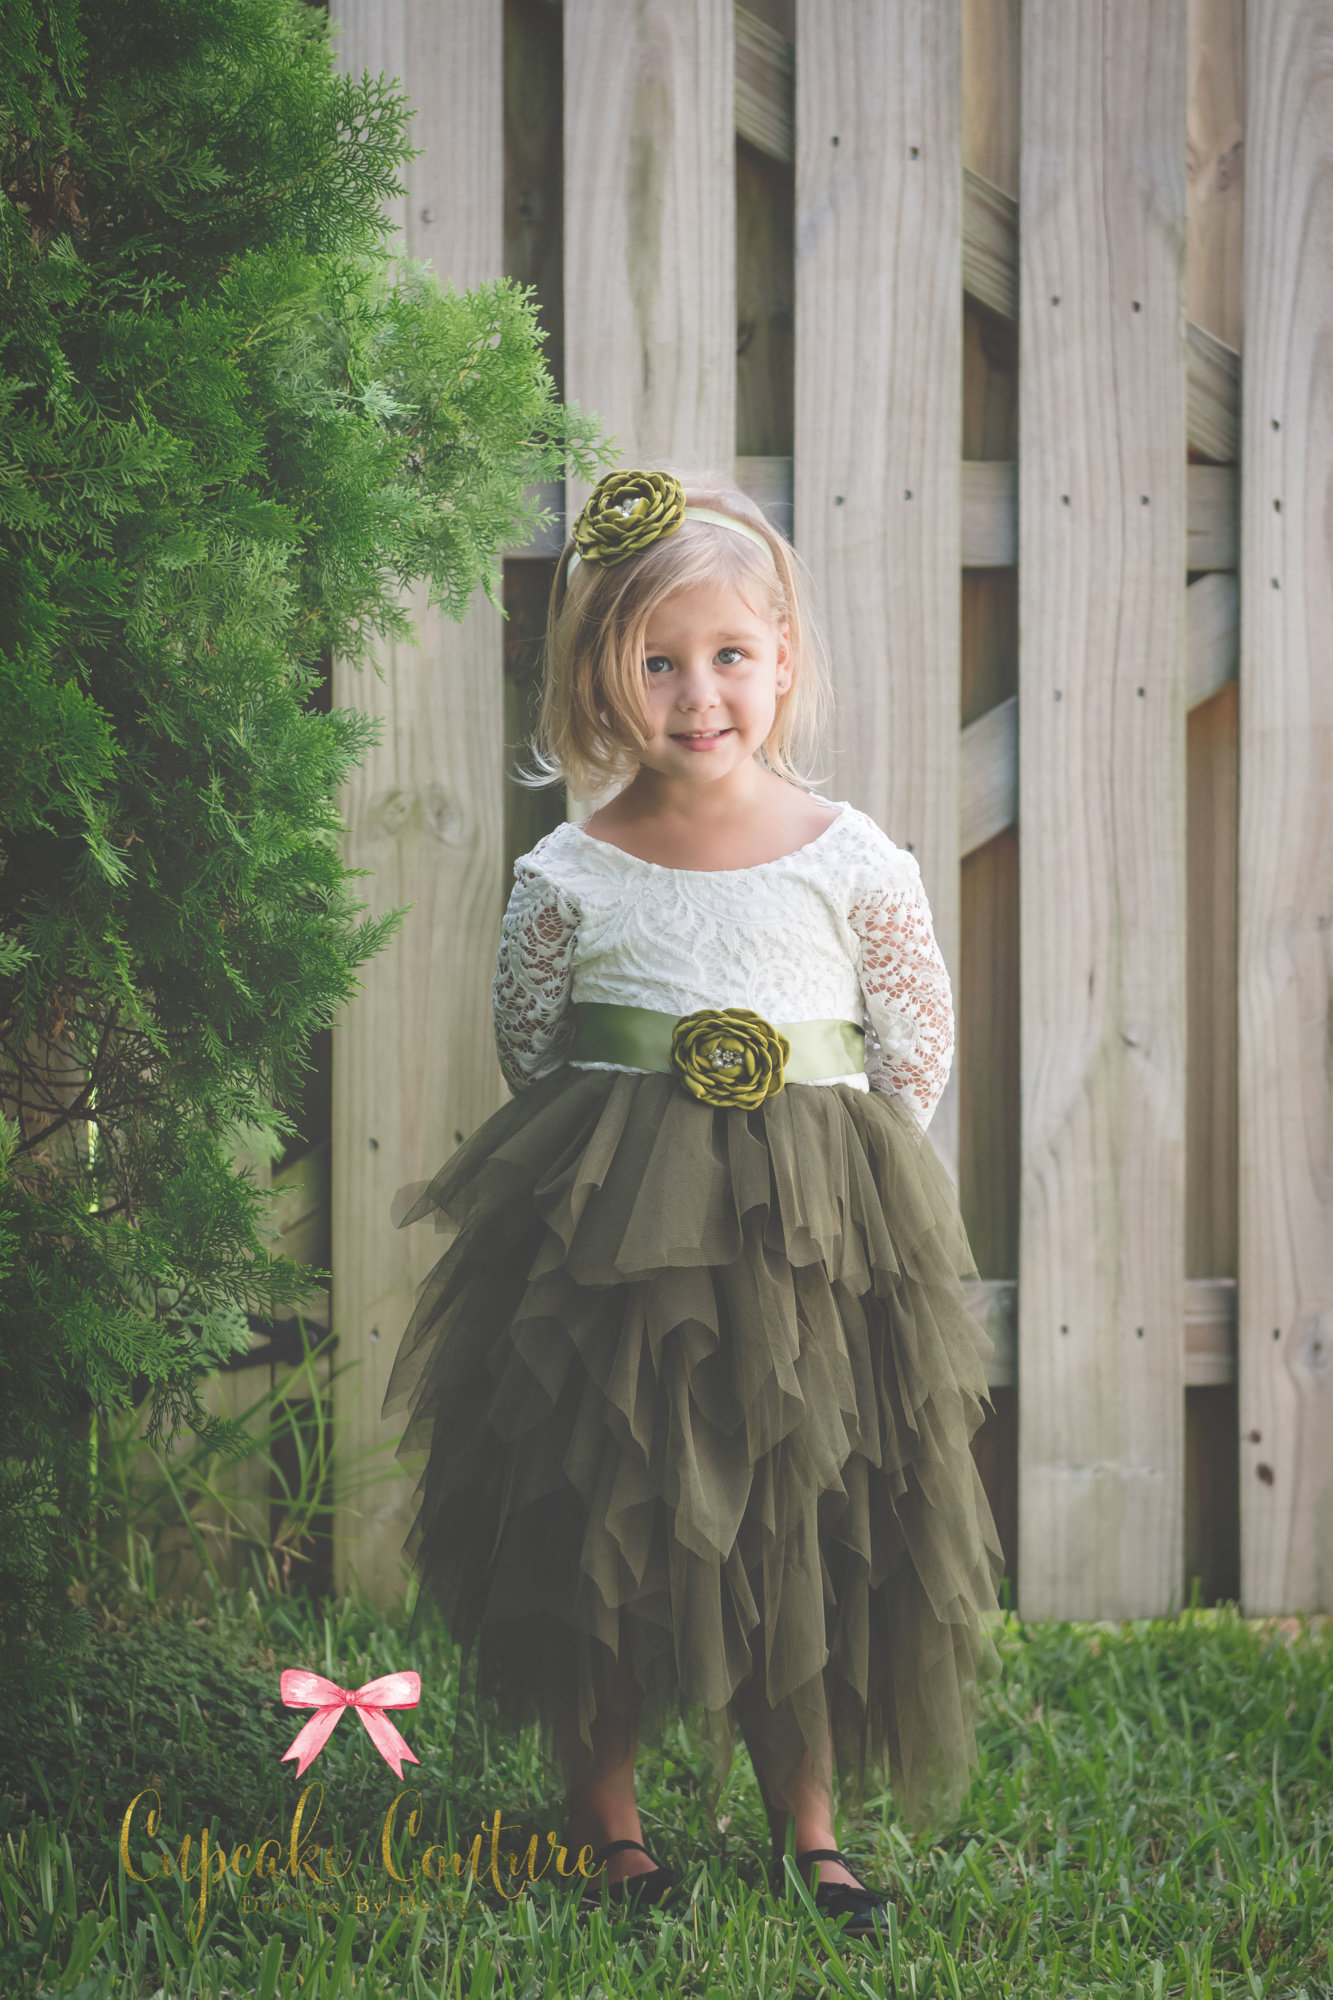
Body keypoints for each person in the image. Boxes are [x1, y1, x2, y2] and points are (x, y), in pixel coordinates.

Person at [382, 468, 1005, 1936]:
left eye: (728, 656)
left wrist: (823, 1193)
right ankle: (610, 1820)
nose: (697, 693)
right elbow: (534, 1051)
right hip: (611, 1252)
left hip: (809, 1243)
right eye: (656, 663)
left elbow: (914, 1043)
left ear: (782, 656)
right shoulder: (570, 870)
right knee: (607, 1506)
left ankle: (810, 1823)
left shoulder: (849, 856)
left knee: (805, 1514)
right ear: (602, 676)